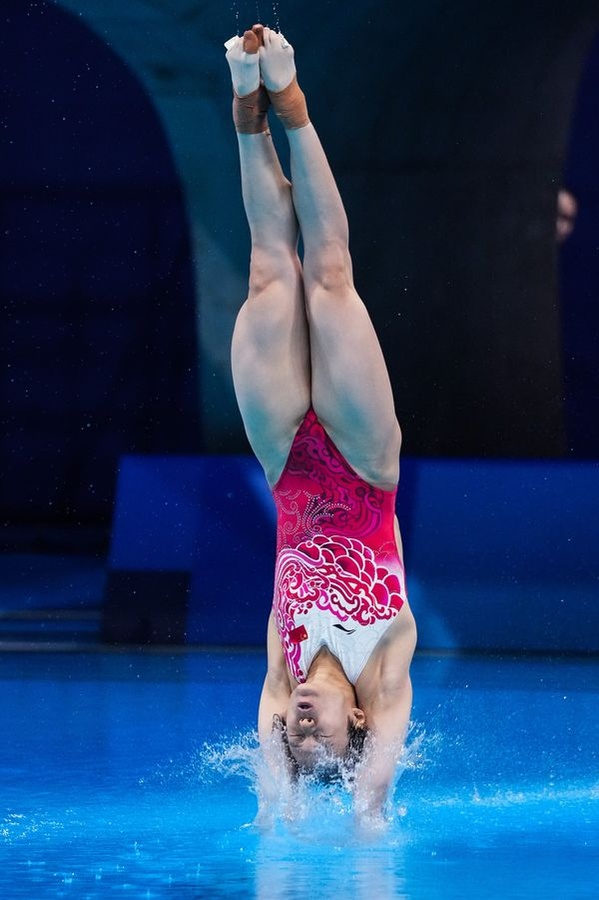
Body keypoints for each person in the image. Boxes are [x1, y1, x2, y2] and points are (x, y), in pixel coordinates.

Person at [225, 25, 417, 821]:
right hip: (366, 465)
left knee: (273, 273)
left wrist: (282, 807)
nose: (301, 728)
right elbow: (372, 804)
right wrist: (365, 819)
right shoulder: (386, 672)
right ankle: (293, 99)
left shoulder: (283, 672)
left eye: (292, 739)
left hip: (286, 464)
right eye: (320, 743)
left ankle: (244, 104)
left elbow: (273, 801)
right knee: (328, 278)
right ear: (357, 727)